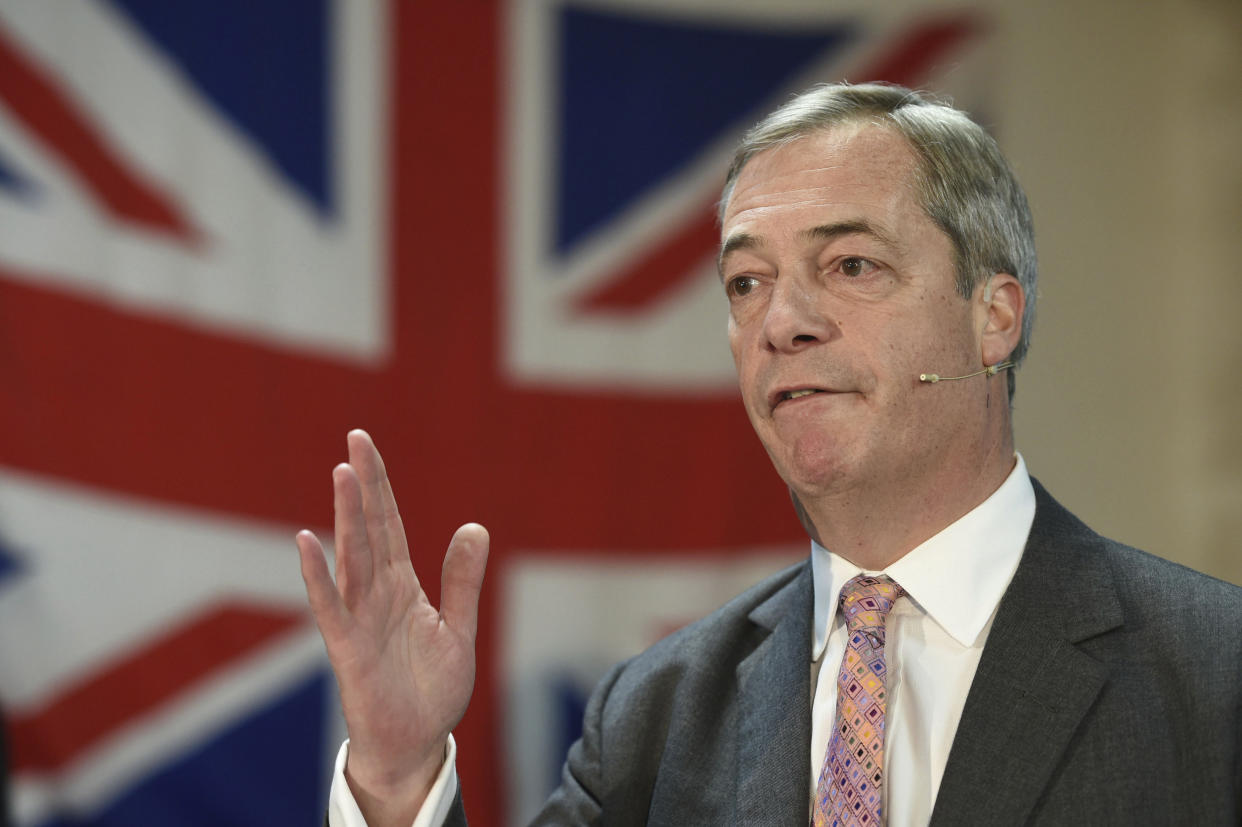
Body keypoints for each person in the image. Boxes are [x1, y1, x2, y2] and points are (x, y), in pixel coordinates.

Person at [297, 83, 1242, 826]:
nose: (781, 322)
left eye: (851, 266)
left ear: (993, 317)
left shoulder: (1214, 673)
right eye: (748, 282)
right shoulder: (656, 713)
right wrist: (398, 771)